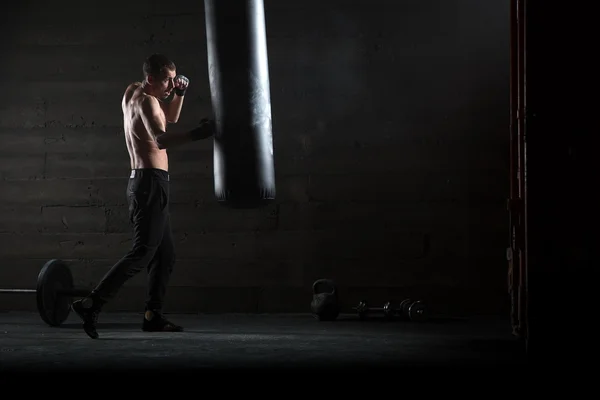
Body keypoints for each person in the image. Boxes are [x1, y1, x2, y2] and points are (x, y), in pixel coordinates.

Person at [71, 54, 215, 339]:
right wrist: (199, 134)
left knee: (165, 254)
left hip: (145, 183)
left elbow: (168, 117)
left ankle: (152, 315)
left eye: (174, 79)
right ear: (151, 79)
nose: (171, 85)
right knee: (143, 252)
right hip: (150, 183)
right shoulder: (148, 100)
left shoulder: (133, 92)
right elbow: (161, 138)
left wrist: (179, 95)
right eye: (166, 81)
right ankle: (91, 303)